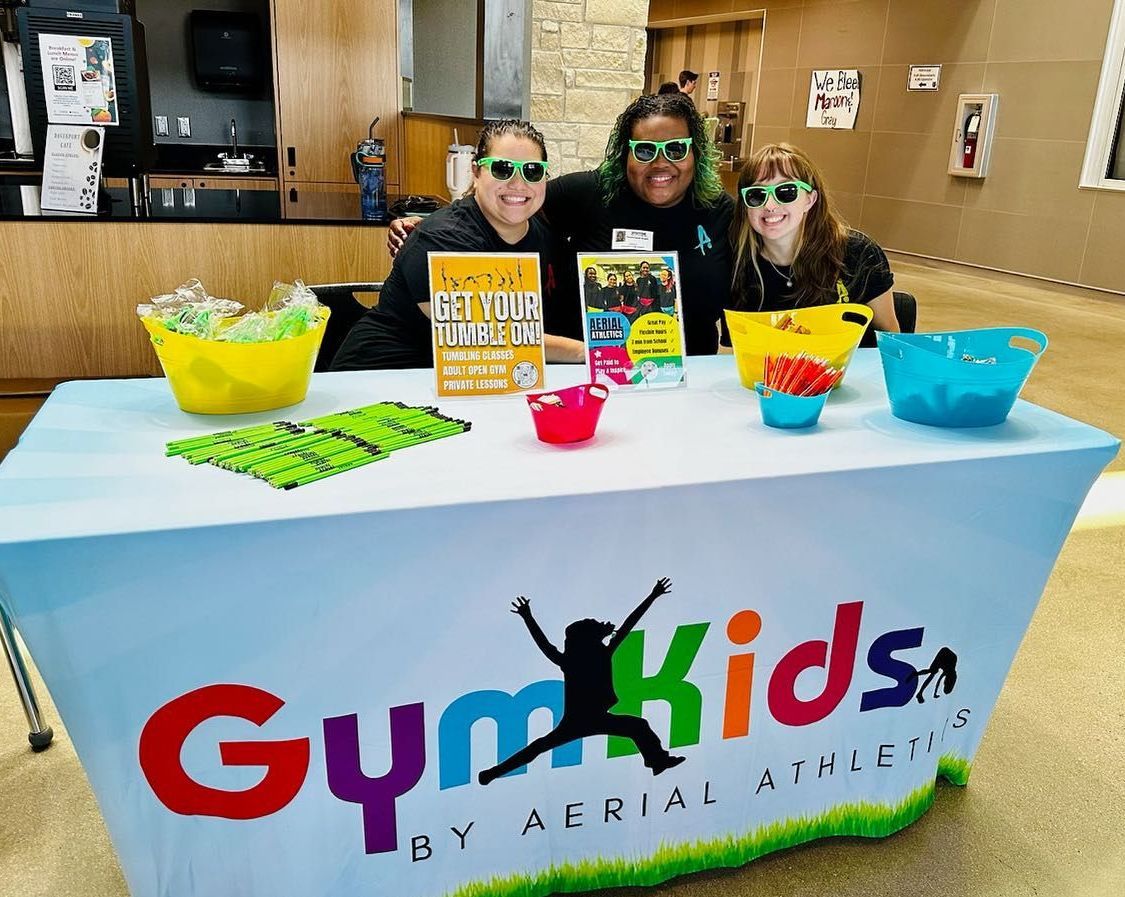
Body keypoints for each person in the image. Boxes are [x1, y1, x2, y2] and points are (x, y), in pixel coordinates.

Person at [391, 94, 734, 354]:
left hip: (692, 377)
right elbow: (510, 204)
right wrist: (426, 227)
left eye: (676, 149)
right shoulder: (589, 192)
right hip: (585, 372)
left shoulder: (722, 213)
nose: (661, 163)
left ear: (696, 153)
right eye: (644, 150)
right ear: (624, 155)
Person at [331, 120, 585, 370]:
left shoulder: (547, 240)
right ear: (476, 172)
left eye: (531, 170)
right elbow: (489, 337)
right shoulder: (441, 238)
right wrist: (589, 352)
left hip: (474, 380)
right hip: (382, 375)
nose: (518, 183)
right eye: (502, 169)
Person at [478, 578, 684, 785]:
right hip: (579, 719)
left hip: (591, 718)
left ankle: (657, 761)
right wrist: (528, 617)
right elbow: (545, 643)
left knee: (637, 726)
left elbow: (627, 625)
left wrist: (653, 596)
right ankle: (492, 773)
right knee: (539, 747)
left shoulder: (584, 656)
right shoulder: (589, 656)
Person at [724, 142, 899, 338]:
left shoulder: (858, 254)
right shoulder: (736, 265)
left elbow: (890, 335)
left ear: (810, 199)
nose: (770, 205)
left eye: (786, 192)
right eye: (757, 195)